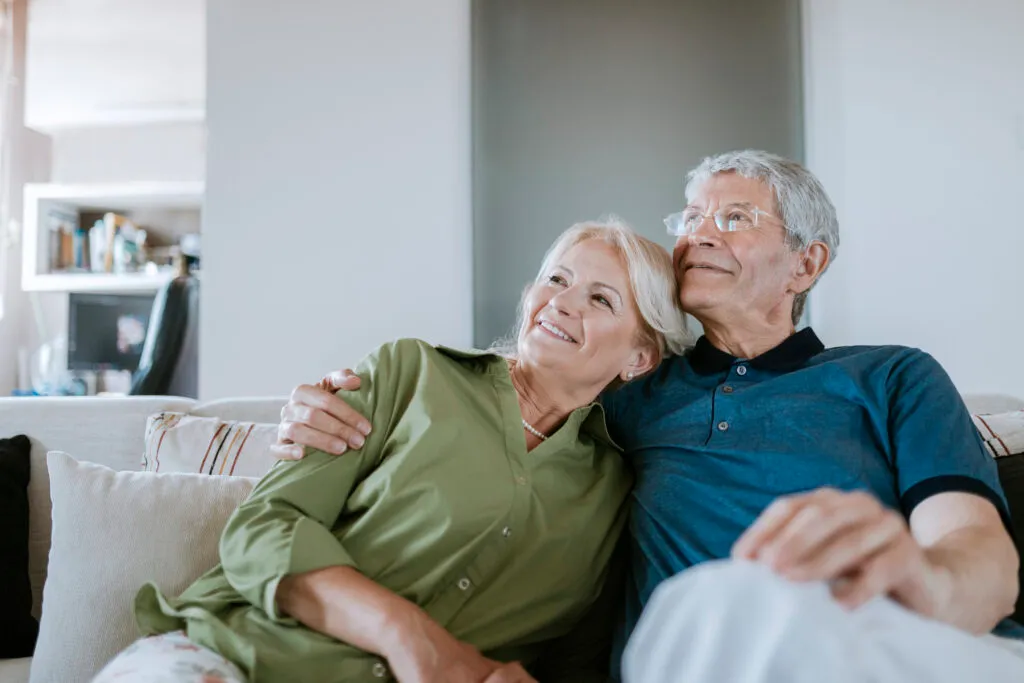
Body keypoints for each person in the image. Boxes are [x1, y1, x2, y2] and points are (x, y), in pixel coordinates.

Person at [276, 150, 1024, 682]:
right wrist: (339, 404)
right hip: (700, 652)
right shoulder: (629, 388)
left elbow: (980, 559)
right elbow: (492, 395)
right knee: (729, 598)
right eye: (691, 215)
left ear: (806, 264)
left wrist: (920, 580)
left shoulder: (892, 376)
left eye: (734, 217)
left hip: (892, 640)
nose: (700, 232)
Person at [92, 220, 691, 683]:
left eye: (600, 299)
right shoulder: (412, 373)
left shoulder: (612, 492)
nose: (562, 302)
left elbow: (572, 660)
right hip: (243, 656)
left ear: (639, 358)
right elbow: (263, 529)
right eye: (556, 279)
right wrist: (407, 635)